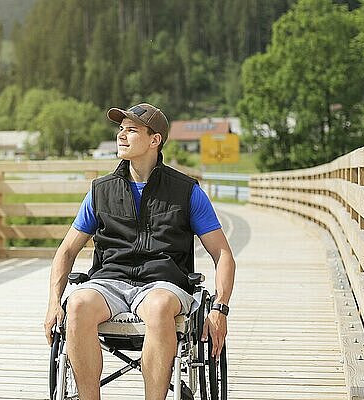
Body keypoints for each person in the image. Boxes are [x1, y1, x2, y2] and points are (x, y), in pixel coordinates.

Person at [44, 103, 236, 400]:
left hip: (164, 283)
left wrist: (219, 308)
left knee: (159, 307)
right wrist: (54, 302)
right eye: (120, 129)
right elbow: (67, 250)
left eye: (131, 130)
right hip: (109, 282)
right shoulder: (100, 191)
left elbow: (222, 253)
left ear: (154, 140)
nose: (121, 135)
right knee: (78, 304)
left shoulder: (186, 191)